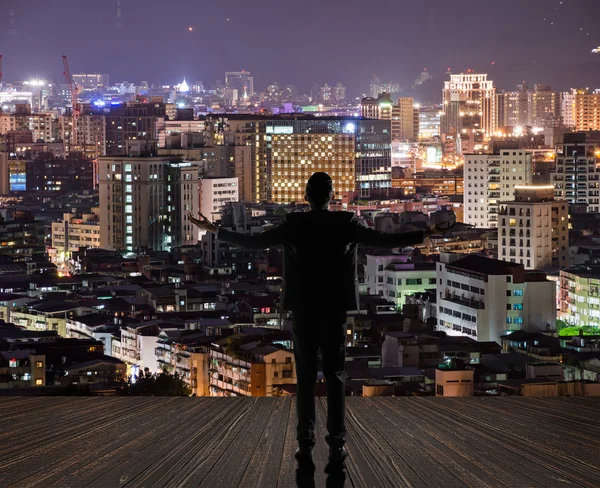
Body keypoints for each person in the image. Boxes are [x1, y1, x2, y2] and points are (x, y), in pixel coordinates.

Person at [188, 172, 455, 465]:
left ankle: (305, 443)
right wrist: (425, 234)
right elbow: (384, 241)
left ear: (306, 196)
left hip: (303, 309)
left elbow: (254, 243)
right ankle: (337, 444)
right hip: (334, 309)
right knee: (335, 376)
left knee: (304, 378)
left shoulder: (293, 225)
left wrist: (214, 230)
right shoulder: (345, 224)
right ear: (330, 197)